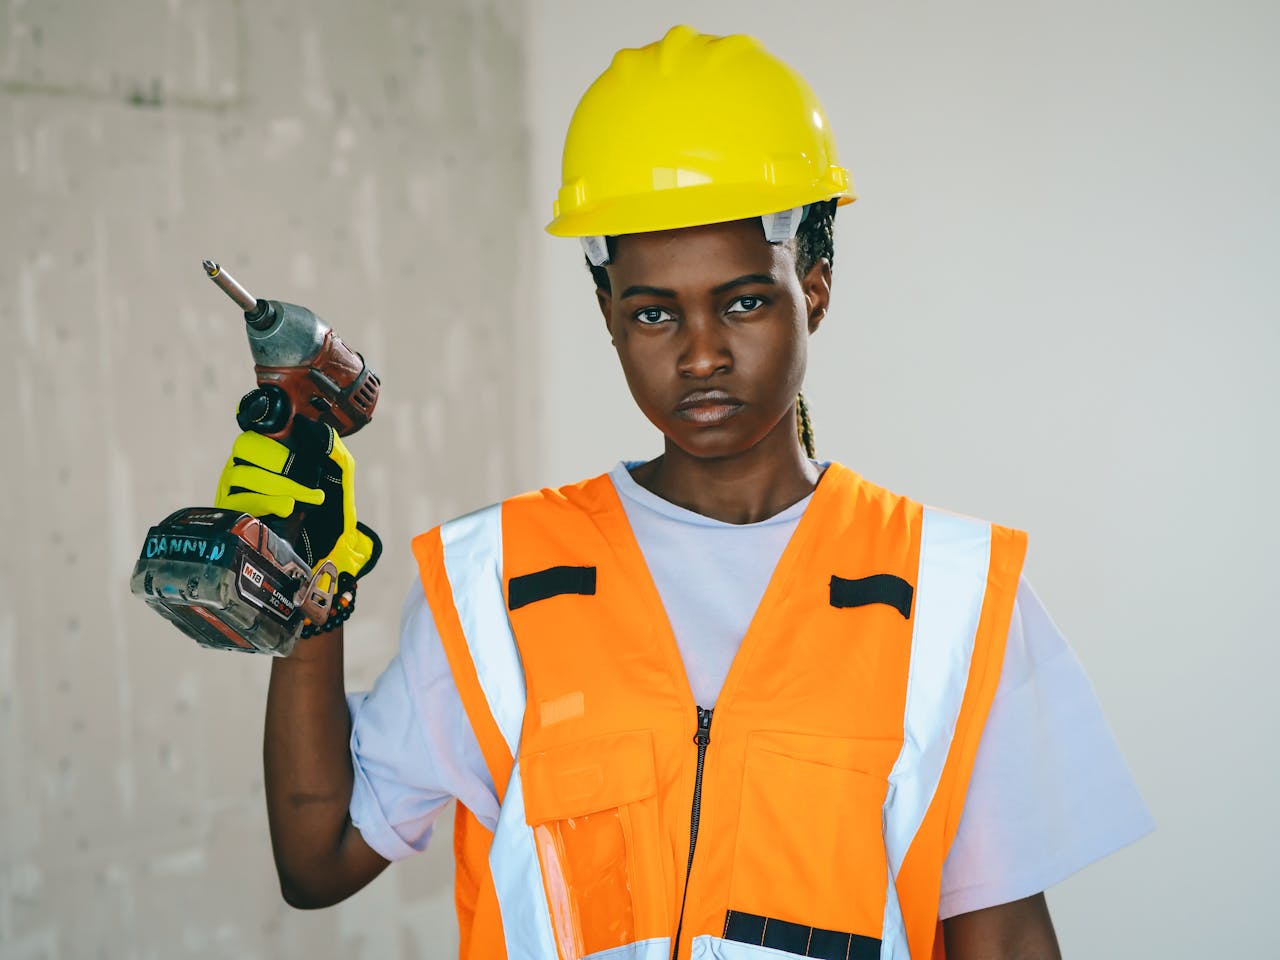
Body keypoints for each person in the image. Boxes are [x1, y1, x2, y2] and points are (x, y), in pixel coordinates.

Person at [216, 25, 1152, 960]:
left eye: (743, 300)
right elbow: (318, 859)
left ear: (814, 289)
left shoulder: (951, 596)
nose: (700, 353)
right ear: (609, 316)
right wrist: (305, 590)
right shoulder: (498, 580)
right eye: (654, 312)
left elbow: (1004, 938)